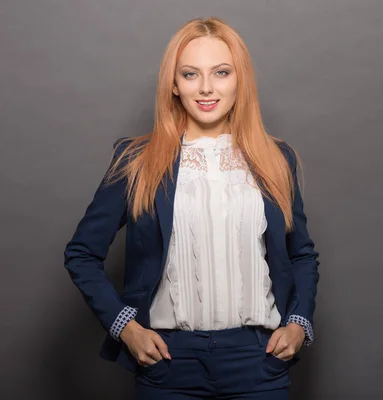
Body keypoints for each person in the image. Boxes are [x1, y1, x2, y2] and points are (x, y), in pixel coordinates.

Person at [64, 16, 320, 400]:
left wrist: (299, 323)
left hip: (257, 361)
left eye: (220, 72)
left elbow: (302, 254)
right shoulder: (137, 160)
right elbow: (82, 253)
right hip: (168, 364)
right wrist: (126, 328)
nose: (205, 88)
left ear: (240, 80)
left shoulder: (275, 158)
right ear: (173, 84)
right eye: (189, 74)